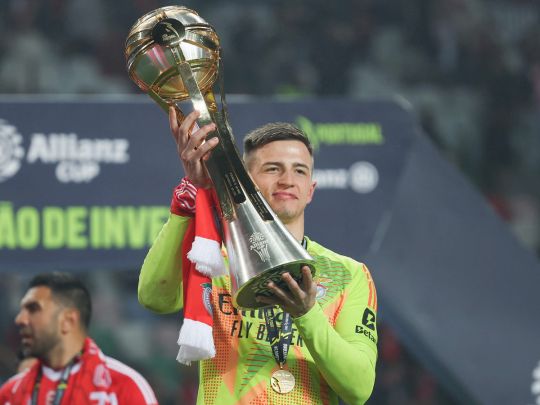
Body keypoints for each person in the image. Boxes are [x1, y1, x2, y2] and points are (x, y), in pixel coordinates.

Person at [138, 108, 378, 404]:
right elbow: (155, 298)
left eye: (299, 170)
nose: (287, 180)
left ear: (310, 190)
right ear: (246, 183)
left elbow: (358, 389)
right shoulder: (215, 260)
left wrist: (307, 314)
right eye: (273, 169)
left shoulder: (348, 274)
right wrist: (189, 198)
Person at [0, 272, 159, 405]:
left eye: (34, 309)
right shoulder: (10, 395)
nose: (20, 319)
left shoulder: (123, 386)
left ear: (68, 321)